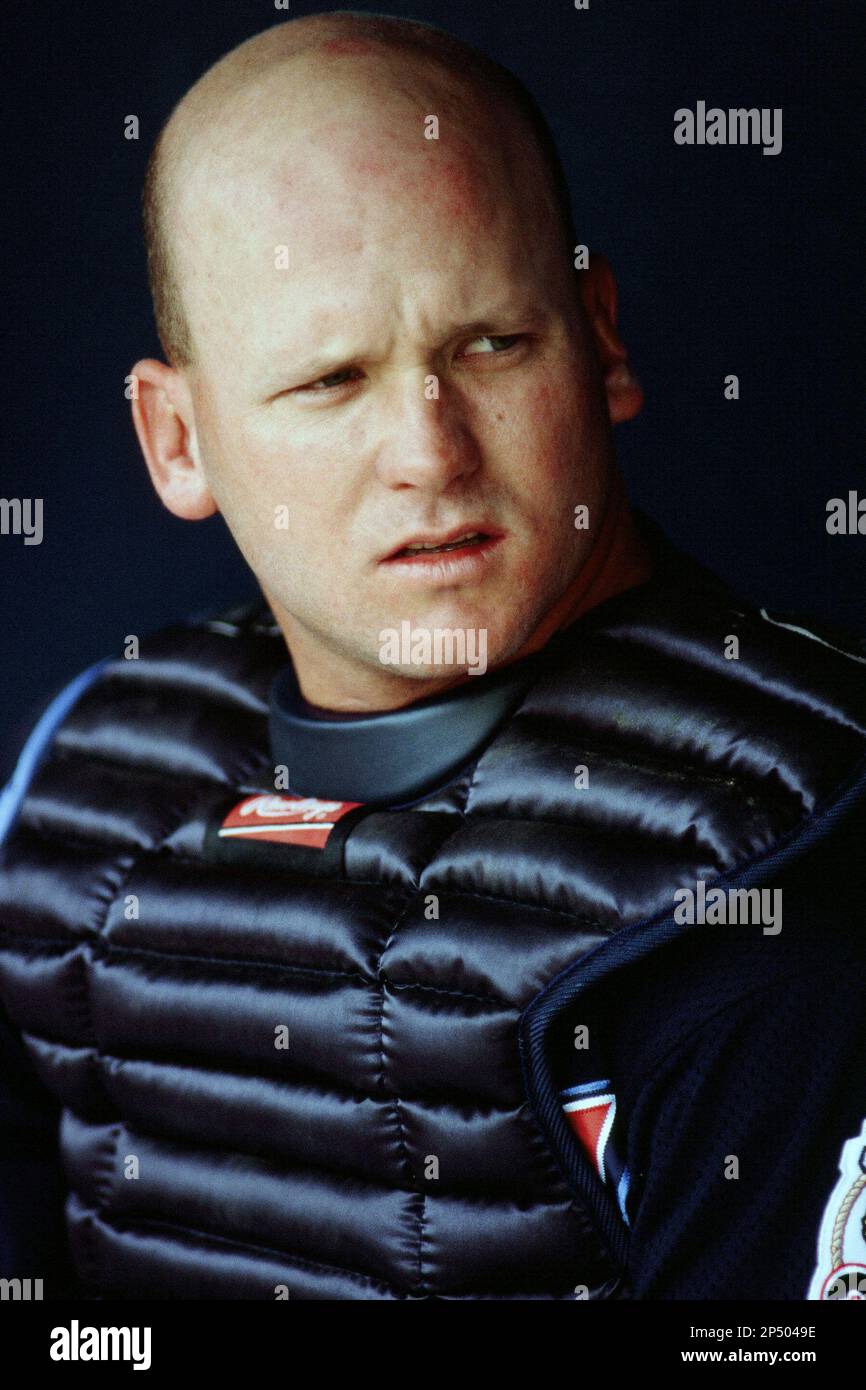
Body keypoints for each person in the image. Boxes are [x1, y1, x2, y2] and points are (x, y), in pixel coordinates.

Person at [1, 10, 864, 1302]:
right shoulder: (79, 784)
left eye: (490, 345)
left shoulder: (778, 891)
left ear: (599, 337)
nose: (430, 451)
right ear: (176, 439)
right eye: (331, 379)